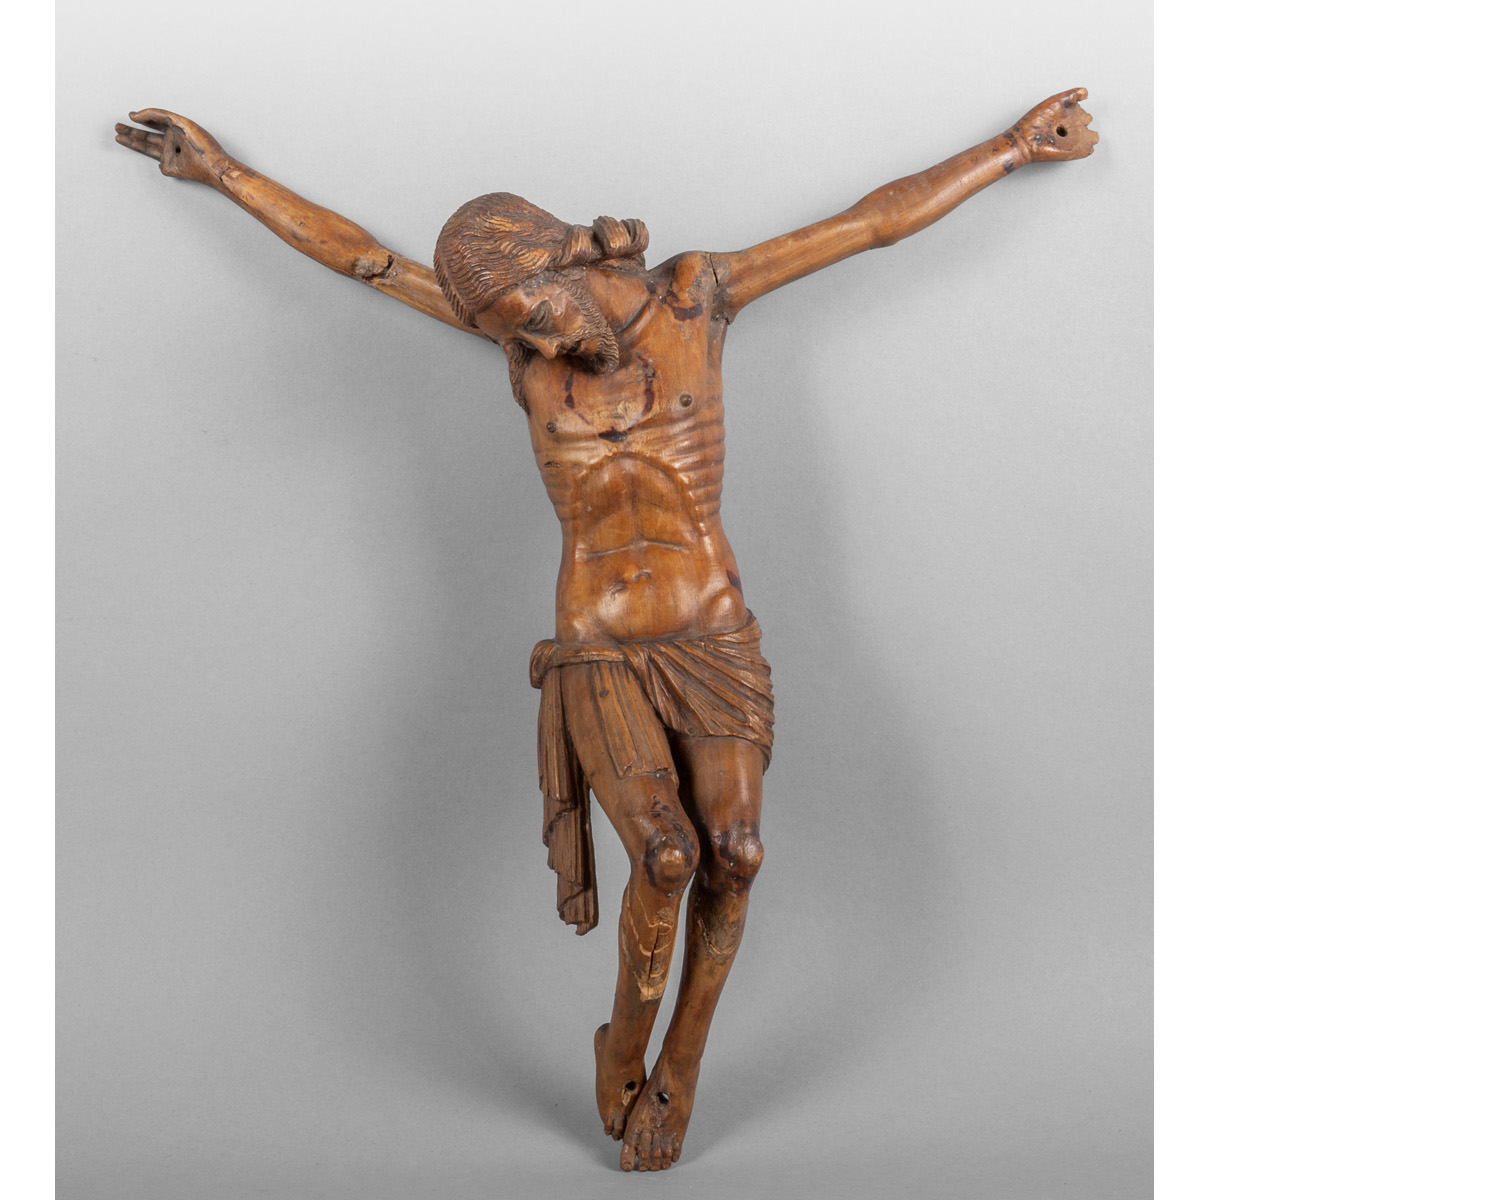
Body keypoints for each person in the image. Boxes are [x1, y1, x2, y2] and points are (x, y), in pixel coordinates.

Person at [114, 90, 1098, 1170]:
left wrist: (1013, 147)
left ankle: (681, 1063)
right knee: (667, 856)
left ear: (564, 264)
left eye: (534, 315)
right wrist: (223, 174)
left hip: (712, 632)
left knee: (737, 855)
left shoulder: (697, 299)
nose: (535, 343)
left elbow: (869, 225)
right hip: (596, 641)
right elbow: (367, 263)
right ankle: (620, 1045)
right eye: (511, 334)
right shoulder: (523, 351)